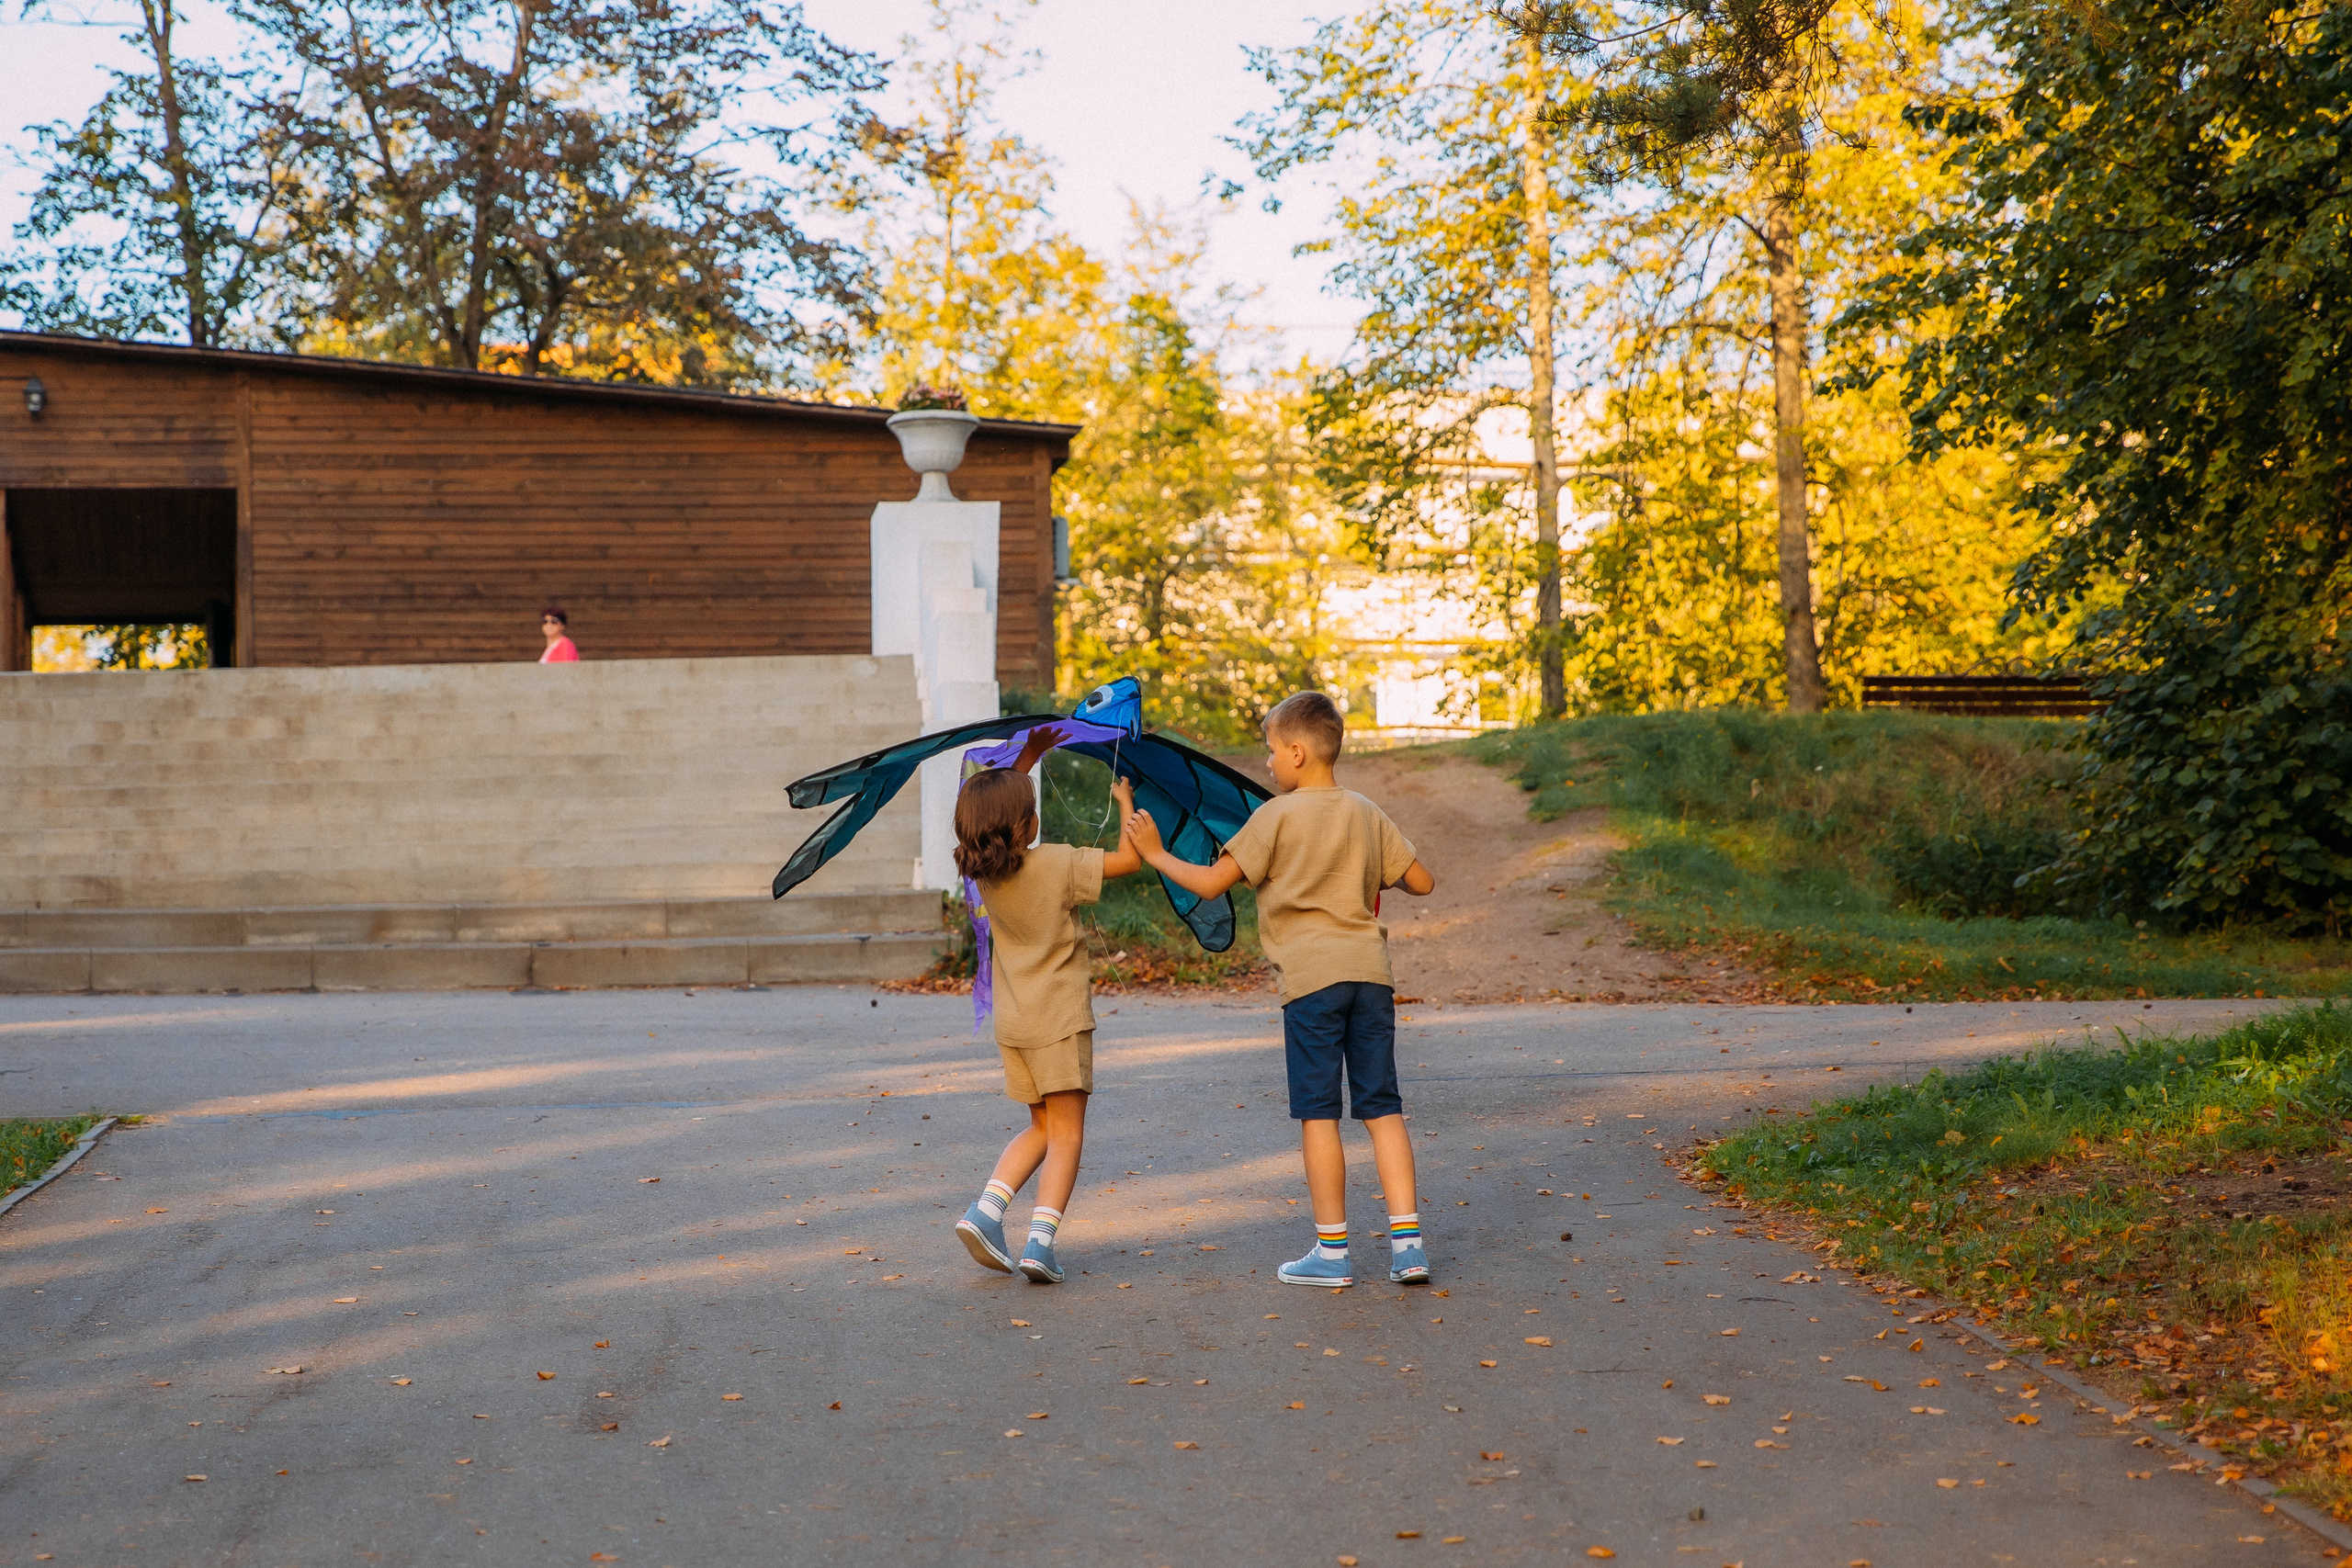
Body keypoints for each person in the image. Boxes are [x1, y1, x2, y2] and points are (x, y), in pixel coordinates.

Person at [1126, 690, 1436, 1288]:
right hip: (1370, 977)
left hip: (1312, 982)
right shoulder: (1365, 811)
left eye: (1270, 751)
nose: (1267, 763)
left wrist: (1157, 853)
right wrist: (1366, 869)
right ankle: (1408, 1247)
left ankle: (1332, 1252)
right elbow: (1421, 881)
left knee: (1319, 1113)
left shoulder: (1273, 818)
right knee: (1382, 1107)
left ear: (1297, 752)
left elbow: (1215, 883)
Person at [954, 726, 1142, 1284]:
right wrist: (1126, 804)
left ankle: (985, 1211)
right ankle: (1041, 1242)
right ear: (1028, 826)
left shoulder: (983, 873)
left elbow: (991, 810)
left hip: (1015, 1025)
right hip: (1058, 1021)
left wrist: (1031, 755)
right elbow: (1128, 862)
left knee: (1040, 1127)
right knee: (1067, 1133)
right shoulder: (1057, 864)